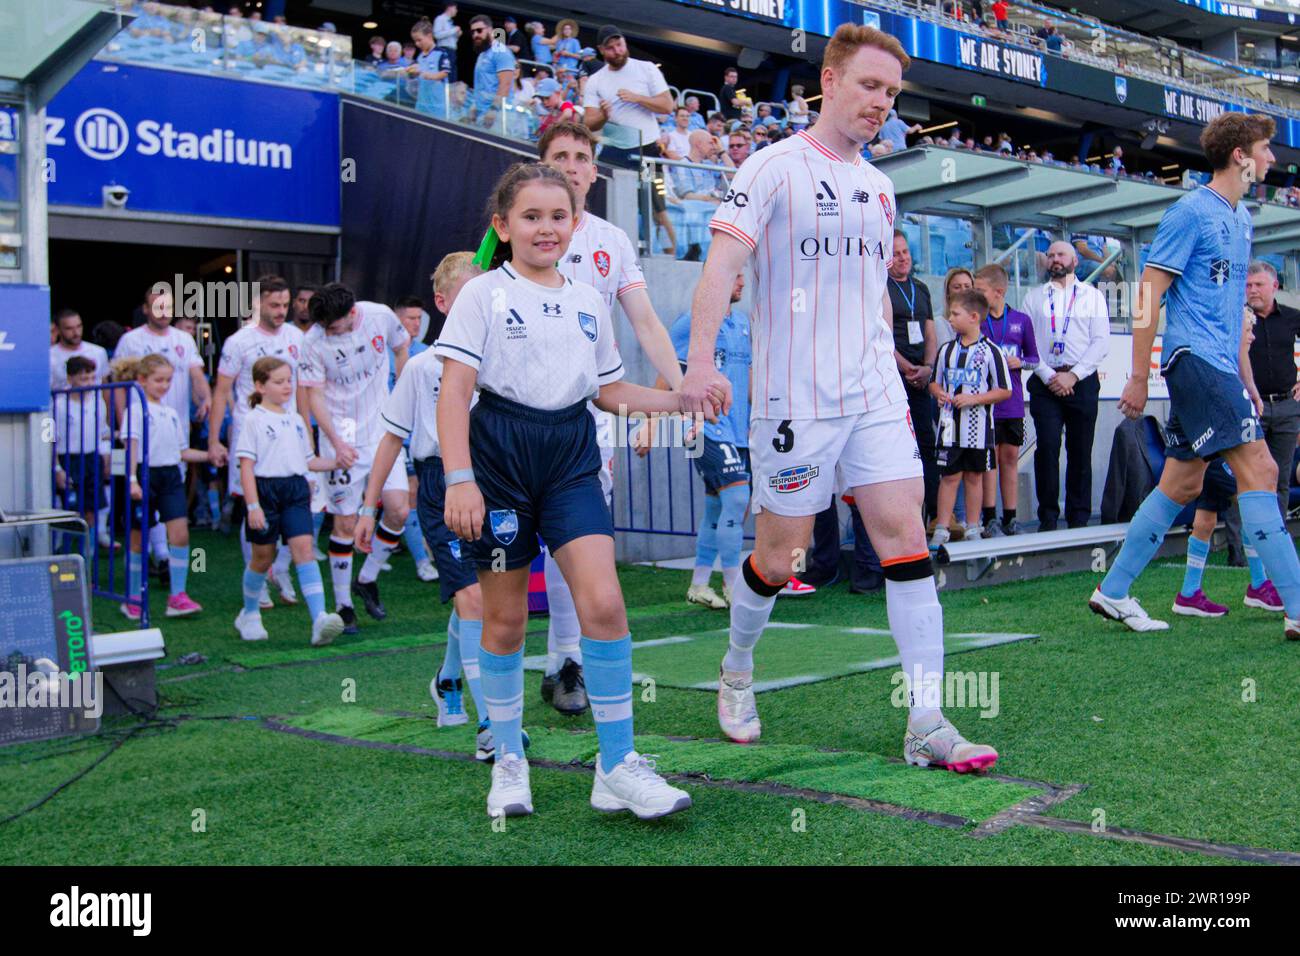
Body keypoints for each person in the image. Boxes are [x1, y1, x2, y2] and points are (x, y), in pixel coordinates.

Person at [679, 23, 999, 772]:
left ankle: (926, 719)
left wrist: (894, 363)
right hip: (793, 401)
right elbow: (719, 268)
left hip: (875, 396)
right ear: (829, 79)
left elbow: (868, 301)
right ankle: (737, 667)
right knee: (780, 553)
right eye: (868, 85)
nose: (880, 102)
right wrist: (698, 364)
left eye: (890, 92)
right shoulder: (770, 168)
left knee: (906, 541)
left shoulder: (882, 187)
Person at [435, 162, 707, 819]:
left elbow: (608, 390)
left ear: (574, 222)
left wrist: (676, 398)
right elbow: (454, 391)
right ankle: (508, 760)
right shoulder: (482, 296)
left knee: (606, 604)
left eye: (558, 216)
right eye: (530, 217)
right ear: (503, 227)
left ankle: (615, 767)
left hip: (571, 459)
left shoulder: (589, 301)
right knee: (502, 621)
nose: (546, 228)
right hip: (499, 461)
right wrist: (460, 478)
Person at [1090, 112, 1300, 639]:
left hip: (1217, 366)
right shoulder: (1191, 211)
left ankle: (1112, 590)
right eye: (1265, 149)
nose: (1273, 159)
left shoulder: (1242, 217)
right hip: (1197, 362)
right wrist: (1137, 376)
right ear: (1240, 156)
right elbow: (1146, 293)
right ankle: (1295, 605)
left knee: (1182, 481)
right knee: (1264, 471)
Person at [538, 121, 686, 713]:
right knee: (509, 558)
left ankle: (567, 660)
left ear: (595, 171)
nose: (572, 166)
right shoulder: (515, 231)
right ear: (542, 166)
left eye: (581, 157)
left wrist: (684, 386)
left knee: (577, 540)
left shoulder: (613, 241)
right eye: (560, 156)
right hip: (517, 415)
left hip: (591, 416)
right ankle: (466, 674)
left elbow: (646, 322)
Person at [361, 252, 510, 761]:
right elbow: (390, 437)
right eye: (468, 294)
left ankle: (448, 681)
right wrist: (367, 507)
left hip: (497, 484)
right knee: (471, 600)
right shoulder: (423, 366)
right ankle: (492, 724)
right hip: (440, 485)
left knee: (487, 599)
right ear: (443, 303)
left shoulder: (504, 358)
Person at [297, 284, 410, 635]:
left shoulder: (379, 316)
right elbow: (313, 395)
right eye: (323, 327)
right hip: (341, 437)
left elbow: (402, 345)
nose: (326, 332)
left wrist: (402, 394)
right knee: (345, 525)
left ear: (350, 315)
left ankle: (368, 578)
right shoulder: (312, 342)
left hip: (382, 431)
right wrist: (333, 442)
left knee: (398, 510)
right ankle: (344, 605)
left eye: (332, 326)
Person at [634, 273, 751, 610]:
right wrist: (650, 425)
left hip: (739, 428)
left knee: (717, 505)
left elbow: (749, 378)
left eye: (743, 275)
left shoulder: (742, 323)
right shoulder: (691, 324)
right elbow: (665, 374)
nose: (741, 281)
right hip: (704, 426)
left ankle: (699, 584)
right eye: (734, 276)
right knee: (738, 498)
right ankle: (734, 587)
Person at [233, 357, 345, 647]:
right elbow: (246, 466)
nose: (287, 387)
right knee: (263, 557)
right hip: (265, 490)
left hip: (296, 490)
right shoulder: (252, 419)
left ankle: (319, 618)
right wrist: (253, 506)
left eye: (288, 380)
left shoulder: (296, 420)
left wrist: (337, 461)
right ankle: (249, 612)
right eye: (279, 381)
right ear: (260, 385)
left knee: (304, 549)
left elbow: (309, 461)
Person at [208, 276, 303, 610]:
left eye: (285, 305)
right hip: (251, 437)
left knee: (298, 506)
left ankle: (281, 570)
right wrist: (214, 440)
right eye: (274, 305)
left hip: (289, 438)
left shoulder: (296, 337)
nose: (281, 311)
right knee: (254, 509)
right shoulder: (239, 342)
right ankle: (257, 579)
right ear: (257, 304)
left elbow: (302, 388)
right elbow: (221, 391)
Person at [1022, 241, 1110, 530]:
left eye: (1060, 255)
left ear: (1074, 260)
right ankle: (1047, 518)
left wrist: (1074, 375)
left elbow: (1101, 342)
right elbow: (1027, 343)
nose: (1054, 259)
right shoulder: (1033, 298)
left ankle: (1078, 517)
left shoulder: (1092, 296)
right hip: (1044, 381)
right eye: (1050, 255)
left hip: (1082, 381)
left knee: (1080, 450)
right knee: (1046, 448)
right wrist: (1049, 376)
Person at [120, 354, 211, 621]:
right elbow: (131, 448)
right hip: (145, 474)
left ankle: (178, 596)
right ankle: (132, 597)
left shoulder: (171, 413)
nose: (164, 385)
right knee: (138, 540)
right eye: (158, 380)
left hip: (171, 476)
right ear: (142, 380)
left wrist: (211, 455)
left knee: (180, 536)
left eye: (168, 380)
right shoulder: (134, 411)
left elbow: (182, 451)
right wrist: (132, 480)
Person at [928, 289, 1013, 547]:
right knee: (949, 476)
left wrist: (974, 399)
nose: (950, 319)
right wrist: (939, 394)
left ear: (974, 317)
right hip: (949, 427)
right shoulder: (946, 350)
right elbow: (934, 383)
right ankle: (942, 527)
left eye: (956, 314)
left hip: (977, 430)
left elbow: (1004, 390)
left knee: (974, 477)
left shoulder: (991, 352)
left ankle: (973, 526)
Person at [975, 262, 1039, 535]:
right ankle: (990, 517)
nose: (977, 295)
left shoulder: (1021, 320)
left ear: (998, 291)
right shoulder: (977, 320)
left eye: (981, 290)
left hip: (1012, 403)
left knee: (1010, 457)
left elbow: (1035, 359)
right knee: (989, 459)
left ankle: (1010, 517)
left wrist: (1020, 361)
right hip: (986, 404)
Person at [888, 230, 939, 520]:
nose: (903, 258)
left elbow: (930, 331)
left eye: (905, 252)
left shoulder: (921, 288)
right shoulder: (880, 287)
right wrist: (905, 366)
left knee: (925, 443)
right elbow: (879, 335)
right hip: (894, 378)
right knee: (897, 447)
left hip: (921, 378)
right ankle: (900, 515)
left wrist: (928, 367)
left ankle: (933, 514)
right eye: (896, 254)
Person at [389, 295, 438, 584]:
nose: (416, 324)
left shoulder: (427, 352)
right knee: (406, 495)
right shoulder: (383, 354)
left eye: (419, 318)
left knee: (417, 494)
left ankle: (426, 552)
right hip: (394, 435)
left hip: (422, 435)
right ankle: (422, 559)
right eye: (410, 318)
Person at [52, 357, 111, 548]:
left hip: (92, 458)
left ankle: (88, 559)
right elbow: (49, 439)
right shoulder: (58, 404)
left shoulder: (97, 401)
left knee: (92, 508)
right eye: (83, 379)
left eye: (92, 378)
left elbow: (103, 432)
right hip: (68, 458)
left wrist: (106, 457)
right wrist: (57, 468)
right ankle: (63, 552)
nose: (89, 383)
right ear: (70, 379)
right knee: (69, 510)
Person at [466, 14, 515, 127]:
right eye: (472, 32)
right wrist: (474, 105)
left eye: (479, 30)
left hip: (498, 116)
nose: (475, 35)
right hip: (481, 114)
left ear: (490, 29)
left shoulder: (501, 52)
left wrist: (494, 109)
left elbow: (505, 84)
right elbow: (481, 84)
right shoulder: (482, 54)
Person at [50, 309, 109, 388]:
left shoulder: (99, 352)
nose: (76, 332)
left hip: (95, 400)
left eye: (79, 326)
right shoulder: (49, 356)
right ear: (58, 330)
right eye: (69, 328)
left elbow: (105, 384)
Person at [409, 17, 452, 117]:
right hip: (421, 105)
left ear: (429, 36)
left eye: (419, 40)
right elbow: (416, 73)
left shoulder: (441, 53)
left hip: (437, 107)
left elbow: (444, 73)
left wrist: (430, 76)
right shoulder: (419, 57)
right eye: (415, 41)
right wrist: (412, 72)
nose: (417, 44)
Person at [433, 3, 460, 84]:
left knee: (452, 75)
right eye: (455, 8)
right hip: (444, 50)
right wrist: (454, 30)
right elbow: (437, 35)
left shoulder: (450, 22)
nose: (456, 11)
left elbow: (451, 41)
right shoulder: (440, 19)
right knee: (445, 74)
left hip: (452, 51)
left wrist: (457, 35)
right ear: (450, 7)